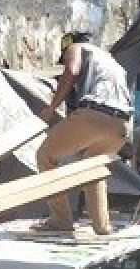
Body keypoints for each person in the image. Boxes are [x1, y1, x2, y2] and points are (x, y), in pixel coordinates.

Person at [36, 32, 133, 234]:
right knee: (93, 167)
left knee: (45, 155)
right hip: (122, 125)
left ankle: (60, 220)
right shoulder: (109, 60)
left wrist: (51, 108)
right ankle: (102, 226)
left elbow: (71, 71)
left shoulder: (76, 48)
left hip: (96, 113)